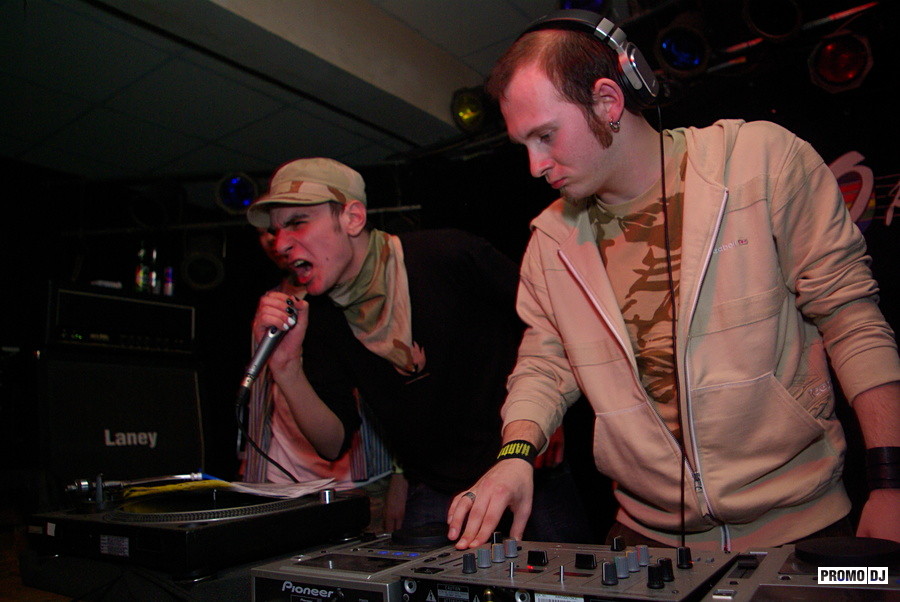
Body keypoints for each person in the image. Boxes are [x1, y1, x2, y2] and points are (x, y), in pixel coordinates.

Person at [447, 9, 900, 551]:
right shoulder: (550, 242)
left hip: (804, 528)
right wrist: (515, 454)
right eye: (524, 144)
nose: (535, 165)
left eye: (545, 136)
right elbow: (545, 364)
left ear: (608, 101)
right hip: (645, 539)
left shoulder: (757, 163)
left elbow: (851, 318)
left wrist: (891, 483)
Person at [245, 157, 589, 538]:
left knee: (566, 571)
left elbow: (547, 322)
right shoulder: (321, 318)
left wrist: (549, 417)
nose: (281, 243)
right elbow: (333, 443)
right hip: (438, 486)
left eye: (298, 223)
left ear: (352, 218)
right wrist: (286, 368)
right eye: (276, 231)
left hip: (523, 461)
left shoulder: (447, 254)